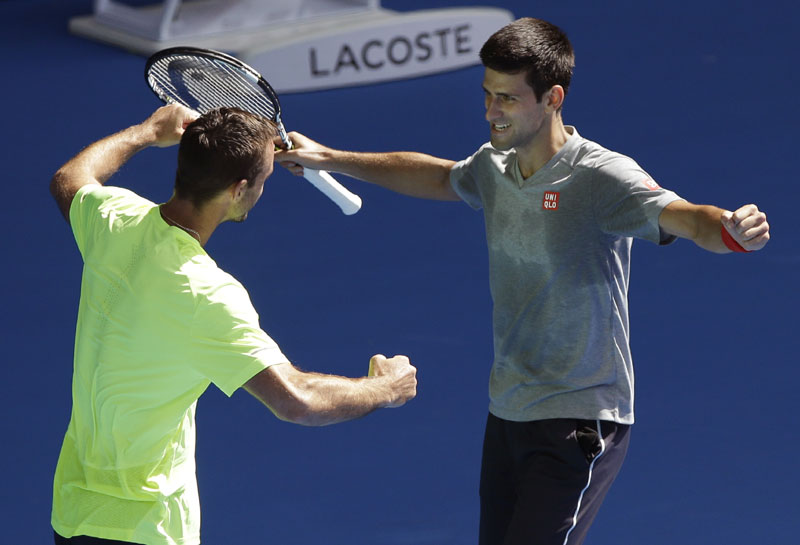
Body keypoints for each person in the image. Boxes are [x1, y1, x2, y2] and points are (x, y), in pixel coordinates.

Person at [275, 17, 770, 545]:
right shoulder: (494, 166)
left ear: (553, 97)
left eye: (507, 99)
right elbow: (440, 175)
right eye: (488, 95)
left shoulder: (603, 177)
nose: (491, 112)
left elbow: (690, 218)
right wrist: (330, 158)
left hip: (581, 418)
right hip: (509, 413)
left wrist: (733, 229)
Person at [49, 104, 418, 545]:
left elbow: (69, 179)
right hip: (145, 529)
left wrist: (146, 131)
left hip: (74, 515)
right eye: (263, 181)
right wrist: (385, 389)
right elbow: (296, 400)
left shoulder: (115, 219)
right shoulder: (207, 294)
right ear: (239, 190)